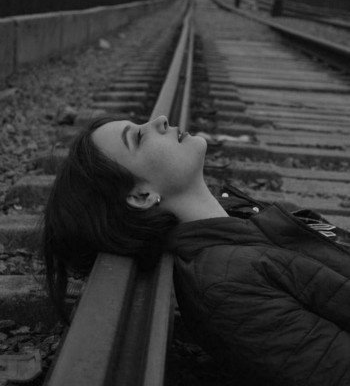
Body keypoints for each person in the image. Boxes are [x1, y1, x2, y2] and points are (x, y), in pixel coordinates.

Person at [41, 115, 350, 386]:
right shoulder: (225, 288)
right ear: (141, 195)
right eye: (138, 136)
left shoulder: (241, 218)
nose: (160, 120)